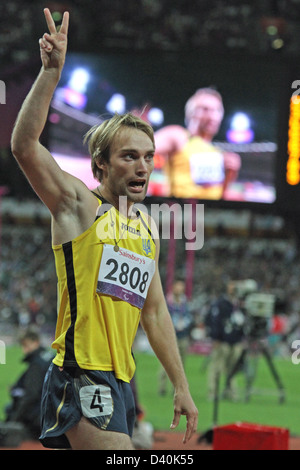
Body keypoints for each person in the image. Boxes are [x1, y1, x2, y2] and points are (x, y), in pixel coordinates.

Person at [10, 8, 198, 450]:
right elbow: (23, 146)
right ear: (100, 164)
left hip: (120, 383)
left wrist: (181, 385)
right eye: (129, 156)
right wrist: (51, 73)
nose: (143, 167)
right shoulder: (79, 205)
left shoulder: (146, 229)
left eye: (149, 156)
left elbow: (153, 312)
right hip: (80, 375)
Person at [154, 87, 241, 200]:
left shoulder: (217, 153)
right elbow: (139, 148)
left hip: (209, 214)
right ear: (191, 113)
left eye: (217, 110)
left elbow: (218, 196)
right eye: (205, 109)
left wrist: (229, 176)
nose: (212, 116)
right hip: (181, 212)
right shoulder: (178, 136)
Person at [4, 328, 53, 439]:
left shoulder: (36, 364)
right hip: (53, 409)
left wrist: (14, 419)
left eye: (26, 345)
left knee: (8, 408)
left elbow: (31, 394)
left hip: (40, 414)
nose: (24, 350)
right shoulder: (49, 356)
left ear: (35, 342)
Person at [204, 281, 245, 401]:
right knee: (216, 367)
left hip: (236, 341)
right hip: (222, 341)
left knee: (232, 369)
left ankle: (231, 392)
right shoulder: (220, 304)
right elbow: (212, 320)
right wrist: (215, 337)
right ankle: (213, 392)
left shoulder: (240, 305)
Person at [158, 279, 194, 395]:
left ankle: (177, 388)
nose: (180, 289)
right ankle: (162, 387)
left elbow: (189, 316)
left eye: (181, 287)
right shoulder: (167, 301)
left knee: (181, 363)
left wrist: (185, 322)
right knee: (166, 361)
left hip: (182, 335)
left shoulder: (185, 302)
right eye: (178, 286)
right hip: (169, 335)